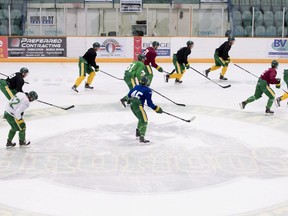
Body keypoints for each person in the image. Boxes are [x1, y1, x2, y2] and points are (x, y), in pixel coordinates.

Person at [121, 76, 163, 143]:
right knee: (144, 120)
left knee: (140, 118)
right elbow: (149, 103)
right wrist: (157, 109)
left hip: (132, 105)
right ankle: (142, 137)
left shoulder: (136, 86)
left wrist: (124, 99)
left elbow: (129, 95)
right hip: (138, 106)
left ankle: (138, 132)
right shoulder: (148, 90)